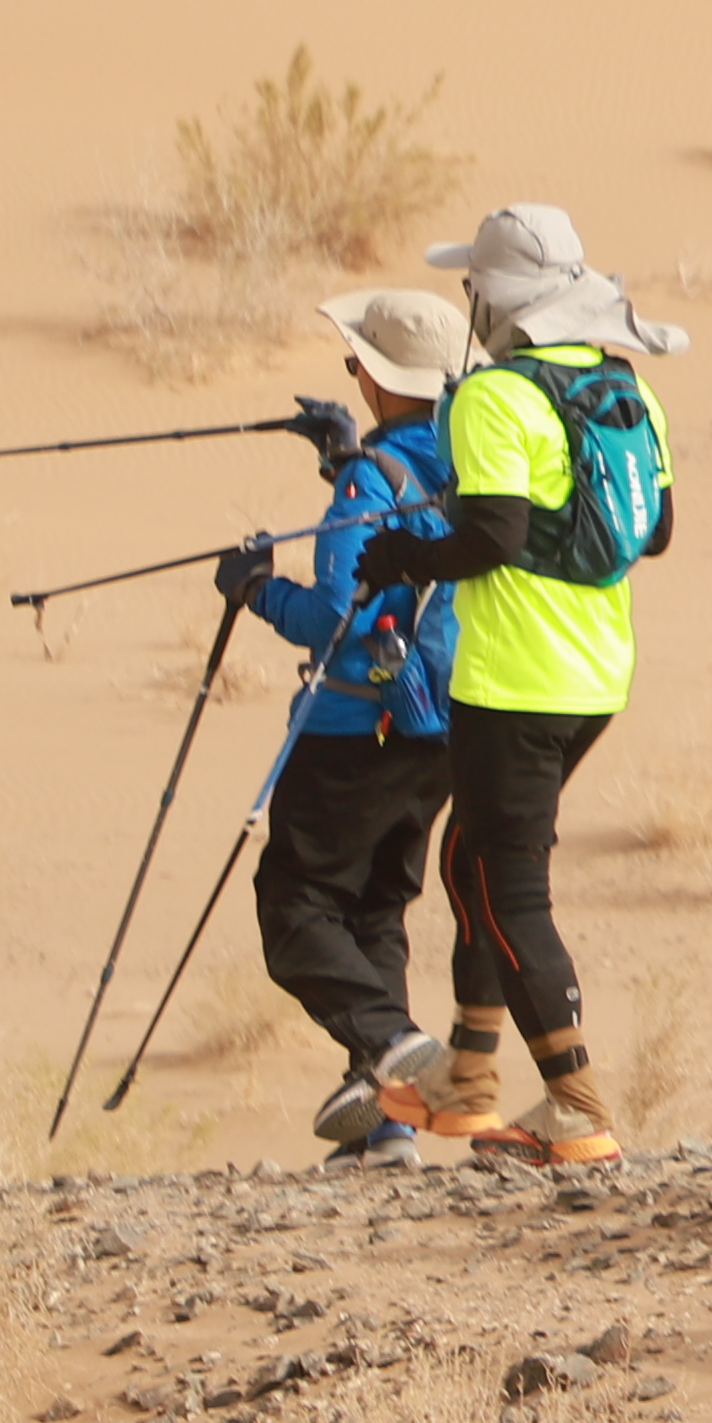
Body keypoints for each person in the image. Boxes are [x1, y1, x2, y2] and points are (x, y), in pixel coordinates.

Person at [353, 200, 685, 1174]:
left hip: (515, 680)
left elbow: (490, 535)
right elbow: (653, 531)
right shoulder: (628, 389)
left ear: (495, 299)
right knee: (472, 859)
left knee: (507, 884)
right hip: (597, 671)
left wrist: (404, 551)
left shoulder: (496, 396)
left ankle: (574, 1109)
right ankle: (470, 1080)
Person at [227, 286, 476, 1167]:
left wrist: (257, 591)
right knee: (374, 915)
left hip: (351, 730)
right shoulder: (470, 458)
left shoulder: (376, 479)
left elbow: (337, 613)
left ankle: (390, 1046)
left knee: (294, 907)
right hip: (442, 727)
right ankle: (389, 1125)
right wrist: (346, 460)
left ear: (372, 377)